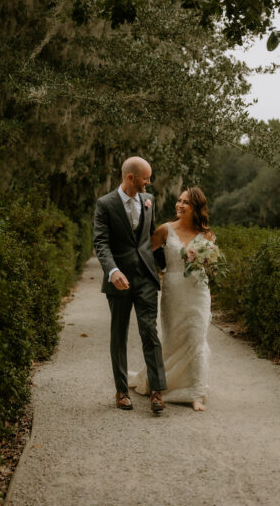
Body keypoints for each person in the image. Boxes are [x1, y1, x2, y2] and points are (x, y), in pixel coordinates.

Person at [129, 186, 214, 411]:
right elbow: (144, 252)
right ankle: (161, 383)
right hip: (173, 291)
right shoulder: (165, 230)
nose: (179, 205)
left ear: (196, 208)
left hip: (199, 292)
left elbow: (212, 265)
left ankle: (196, 393)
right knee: (173, 339)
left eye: (186, 202)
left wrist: (209, 264)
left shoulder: (206, 234)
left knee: (197, 338)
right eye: (179, 200)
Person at [93, 156, 167, 412]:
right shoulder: (105, 204)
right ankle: (122, 391)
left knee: (149, 331)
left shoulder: (149, 200)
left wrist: (166, 268)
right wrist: (112, 271)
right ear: (130, 178)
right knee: (119, 335)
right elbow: (100, 242)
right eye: (146, 178)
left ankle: (157, 391)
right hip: (119, 281)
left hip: (146, 277)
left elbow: (151, 237)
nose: (149, 182)